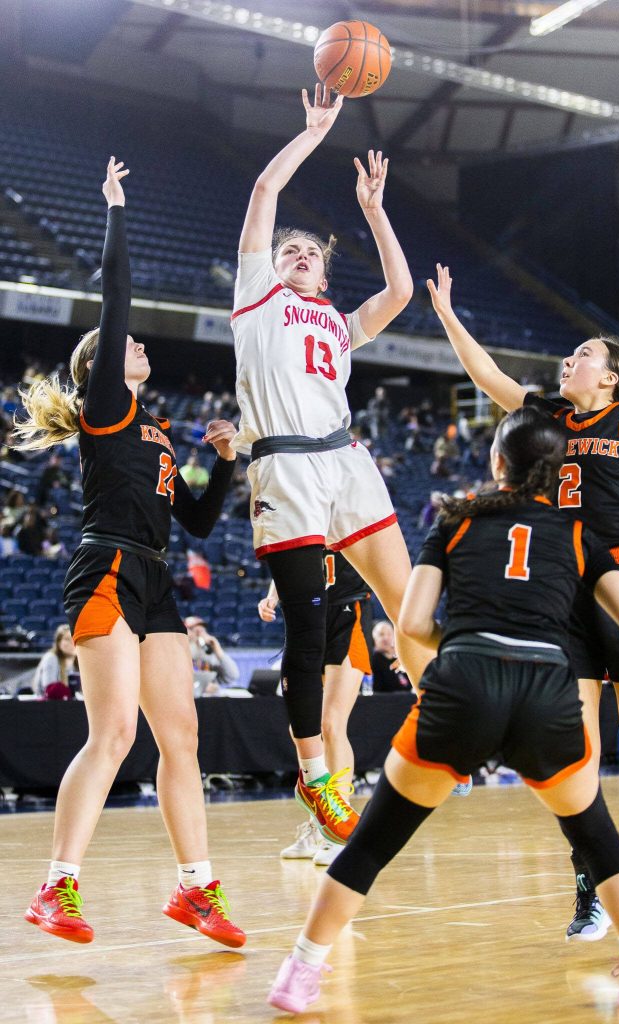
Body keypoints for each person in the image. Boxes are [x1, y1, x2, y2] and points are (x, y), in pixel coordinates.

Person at [268, 407, 619, 1017]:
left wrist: (463, 643)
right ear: (560, 471)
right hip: (547, 692)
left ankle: (300, 972)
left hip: (465, 683)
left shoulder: (454, 523)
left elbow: (409, 622)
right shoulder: (579, 536)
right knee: (596, 836)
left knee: (374, 842)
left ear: (496, 463)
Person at [427, 263, 619, 942]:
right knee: (569, 748)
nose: (569, 361)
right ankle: (595, 875)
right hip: (562, 588)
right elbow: (487, 376)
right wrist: (447, 314)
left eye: (583, 356)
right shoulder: (545, 414)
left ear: (609, 377)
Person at [12, 158, 244, 948]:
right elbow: (115, 298)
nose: (136, 343)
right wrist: (115, 207)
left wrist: (226, 459)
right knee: (112, 735)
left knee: (182, 737)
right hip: (106, 567)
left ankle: (195, 890)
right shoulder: (107, 404)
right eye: (123, 344)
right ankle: (55, 888)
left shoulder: (158, 434)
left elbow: (205, 522)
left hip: (156, 580)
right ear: (100, 368)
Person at [231, 85, 432, 846]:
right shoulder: (255, 298)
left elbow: (403, 291)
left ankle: (450, 702)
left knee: (408, 599)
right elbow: (264, 189)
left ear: (322, 276)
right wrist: (314, 134)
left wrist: (375, 210)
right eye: (290, 249)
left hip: (345, 461)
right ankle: (318, 777)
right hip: (285, 469)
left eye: (310, 253)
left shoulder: (341, 324)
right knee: (308, 635)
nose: (298, 254)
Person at [259, 548, 374, 866]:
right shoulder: (301, 512)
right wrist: (272, 596)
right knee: (304, 728)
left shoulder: (352, 506)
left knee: (331, 724)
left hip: (348, 611)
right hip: (306, 615)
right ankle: (316, 825)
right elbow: (288, 560)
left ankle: (338, 826)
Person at [184, 615, 240, 692]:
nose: (199, 632)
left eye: (202, 628)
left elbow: (232, 675)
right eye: (193, 629)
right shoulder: (178, 652)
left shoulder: (211, 654)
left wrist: (217, 649)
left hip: (209, 699)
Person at [32, 624, 77, 698]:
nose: (72, 642)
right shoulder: (51, 658)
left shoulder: (78, 661)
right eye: (67, 639)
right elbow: (50, 690)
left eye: (74, 638)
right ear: (58, 642)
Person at [371, 620, 411, 693]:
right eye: (381, 634)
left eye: (389, 634)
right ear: (374, 638)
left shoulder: (401, 660)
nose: (386, 638)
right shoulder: (372, 661)